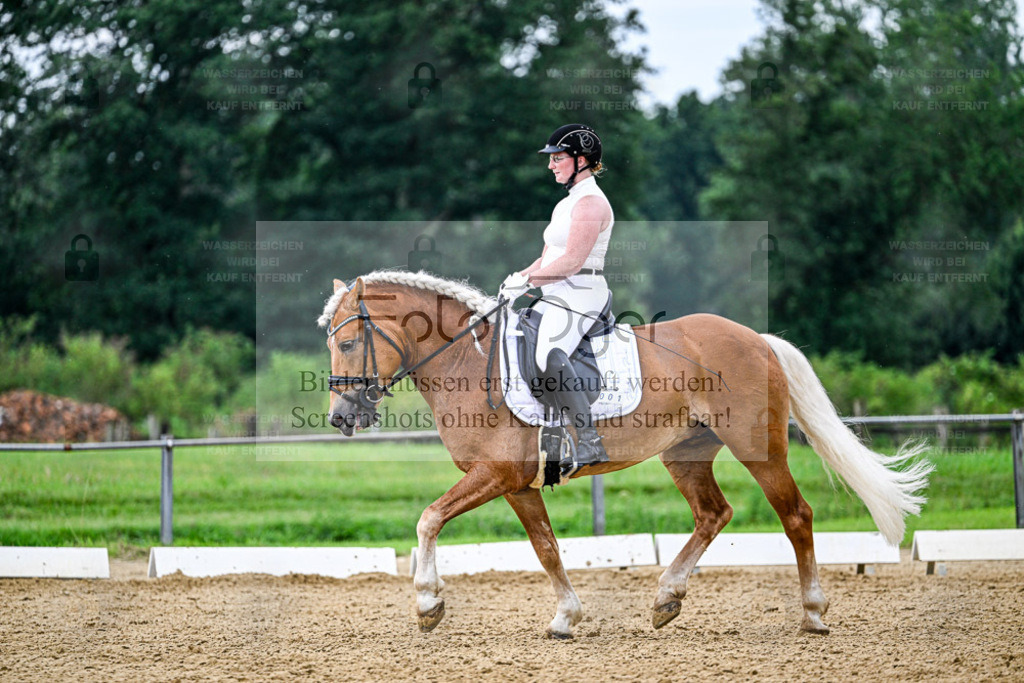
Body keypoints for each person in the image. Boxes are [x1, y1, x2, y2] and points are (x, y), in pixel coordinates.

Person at [500, 123, 614, 478]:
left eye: (558, 158)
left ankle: (589, 440)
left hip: (582, 292)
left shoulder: (592, 203)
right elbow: (547, 259)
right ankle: (547, 430)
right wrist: (517, 278)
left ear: (582, 160)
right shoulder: (566, 204)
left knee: (548, 352)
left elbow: (572, 262)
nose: (551, 165)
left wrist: (528, 282)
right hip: (556, 292)